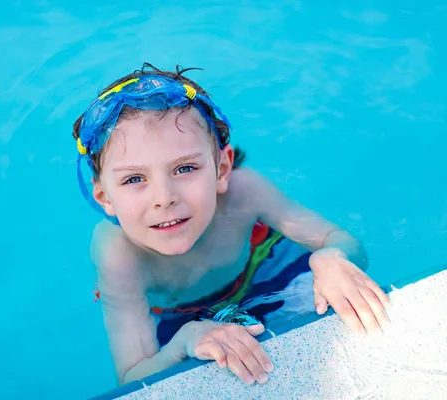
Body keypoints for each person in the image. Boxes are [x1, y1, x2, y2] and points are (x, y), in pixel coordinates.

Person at [71, 63, 391, 386]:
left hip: (266, 271)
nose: (164, 198)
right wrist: (182, 344)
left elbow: (346, 244)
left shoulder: (244, 192)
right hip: (182, 322)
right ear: (104, 197)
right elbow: (132, 378)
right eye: (134, 178)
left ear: (222, 169)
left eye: (184, 169)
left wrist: (332, 257)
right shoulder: (118, 252)